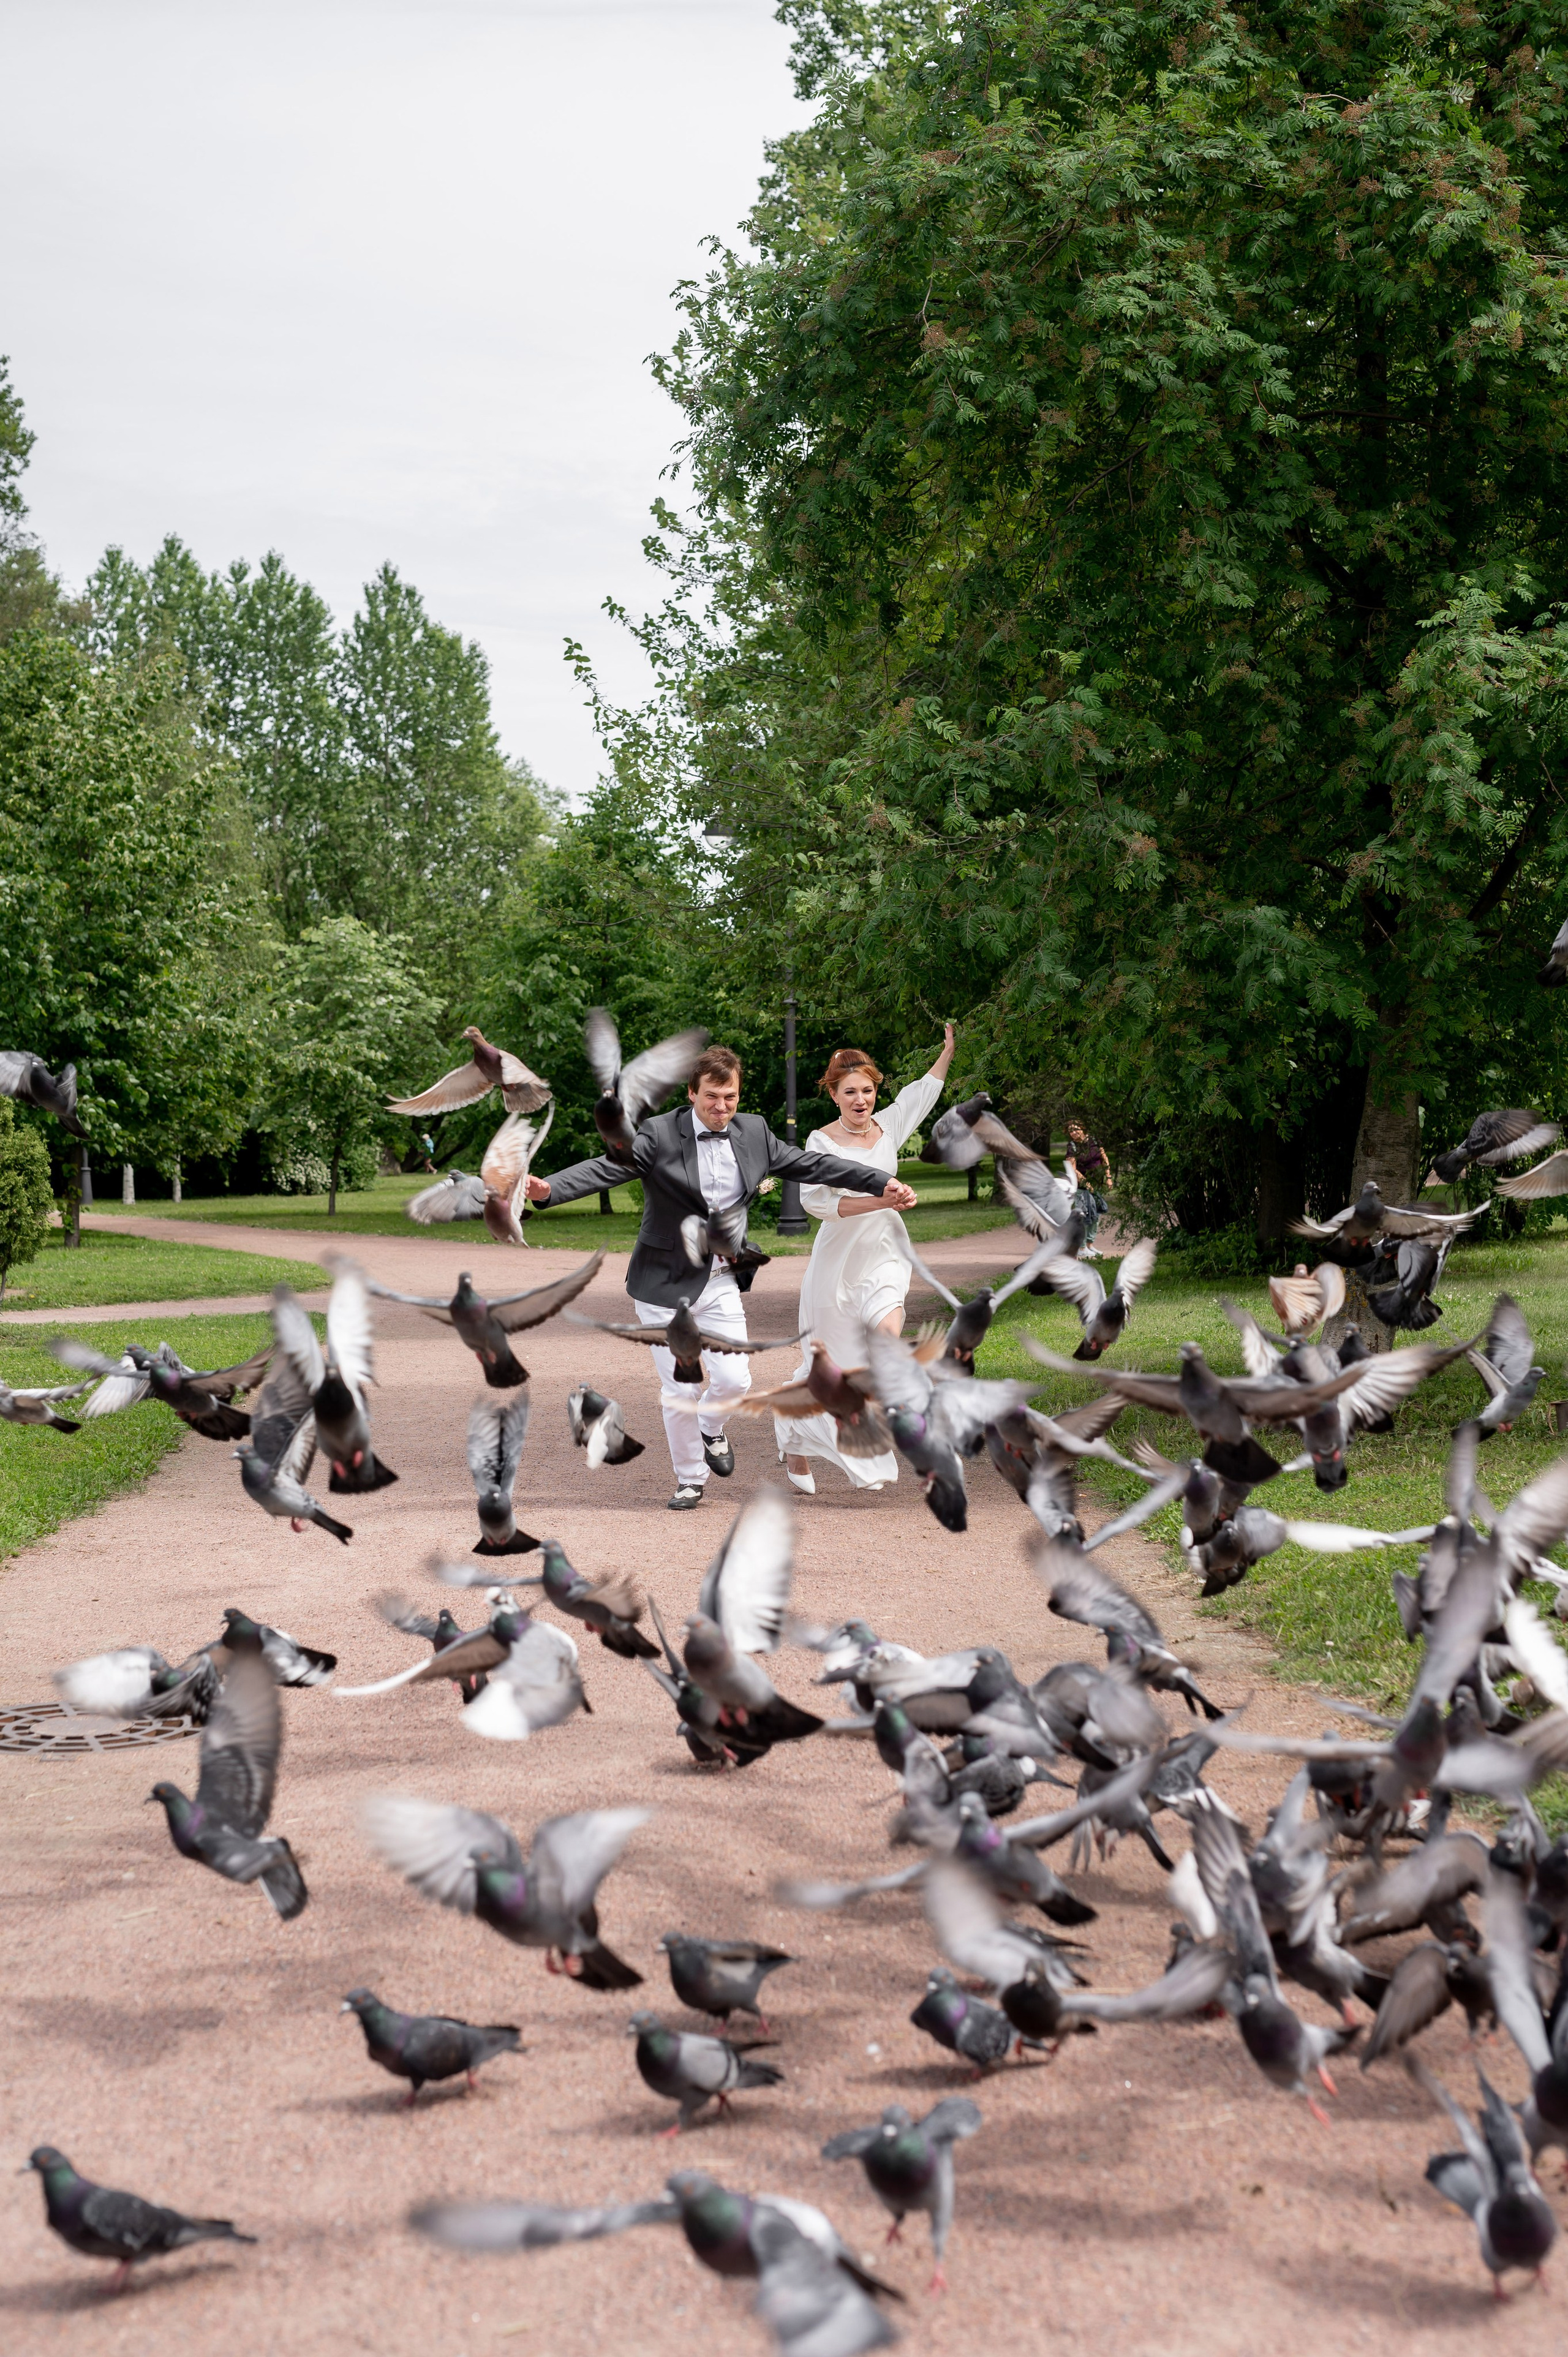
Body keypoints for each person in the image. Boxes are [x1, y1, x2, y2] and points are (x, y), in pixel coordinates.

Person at [525, 1044, 917, 1509]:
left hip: (719, 1279)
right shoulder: (659, 1135)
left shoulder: (753, 1132)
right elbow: (607, 1168)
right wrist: (550, 1190)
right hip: (663, 1284)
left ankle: (712, 1428)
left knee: (736, 1382)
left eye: (730, 1097)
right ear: (692, 1093)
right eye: (712, 1097)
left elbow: (814, 1165)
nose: (722, 1107)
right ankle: (690, 1479)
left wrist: (879, 1182)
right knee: (682, 1385)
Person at [775, 1026, 956, 1496]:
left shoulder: (889, 1127)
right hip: (838, 1264)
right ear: (833, 1094)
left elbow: (922, 1094)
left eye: (869, 1091)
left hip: (885, 1254)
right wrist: (883, 1197)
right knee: (833, 1368)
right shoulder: (819, 1142)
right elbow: (820, 1206)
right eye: (850, 1092)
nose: (861, 1100)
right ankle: (794, 1434)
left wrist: (947, 1052)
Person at [1065, 1118, 1113, 1259]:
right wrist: (1086, 1184)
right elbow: (1073, 1169)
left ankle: (1090, 1245)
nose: (1074, 1133)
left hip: (1097, 1183)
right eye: (1070, 1131)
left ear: (1082, 1127)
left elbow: (1104, 1158)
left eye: (1076, 1129)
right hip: (1081, 1187)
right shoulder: (1072, 1147)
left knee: (1096, 1214)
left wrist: (1108, 1177)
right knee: (1085, 1215)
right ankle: (1081, 1247)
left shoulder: (1094, 1141)